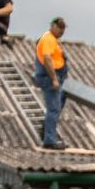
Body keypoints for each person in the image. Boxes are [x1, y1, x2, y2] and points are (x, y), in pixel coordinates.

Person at [33, 17, 69, 149]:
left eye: (63, 28)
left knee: (58, 105)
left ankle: (46, 131)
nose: (61, 30)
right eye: (59, 27)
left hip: (57, 77)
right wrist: (54, 78)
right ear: (53, 26)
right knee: (53, 109)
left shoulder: (54, 40)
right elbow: (47, 59)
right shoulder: (48, 39)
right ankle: (49, 141)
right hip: (50, 78)